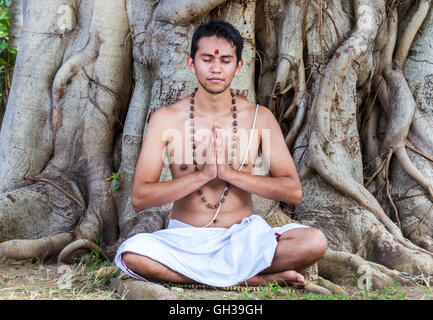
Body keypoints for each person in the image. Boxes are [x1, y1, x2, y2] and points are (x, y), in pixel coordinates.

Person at [115, 20, 327, 288]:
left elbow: (292, 191)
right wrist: (203, 175)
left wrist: (229, 174)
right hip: (186, 241)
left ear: (238, 66)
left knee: (314, 241)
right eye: (206, 59)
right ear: (192, 63)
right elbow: (140, 198)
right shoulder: (165, 119)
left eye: (226, 60)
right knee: (132, 254)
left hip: (243, 239)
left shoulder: (259, 118)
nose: (216, 68)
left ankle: (218, 276)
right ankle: (249, 280)